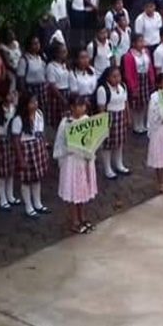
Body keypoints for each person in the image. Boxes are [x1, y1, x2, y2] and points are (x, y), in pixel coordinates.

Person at [53, 94, 97, 234]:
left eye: (83, 105)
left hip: (83, 160)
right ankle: (74, 221)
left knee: (82, 190)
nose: (82, 108)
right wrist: (69, 148)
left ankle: (83, 217)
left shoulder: (86, 120)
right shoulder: (66, 123)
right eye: (79, 105)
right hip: (71, 161)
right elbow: (60, 143)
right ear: (72, 107)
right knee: (73, 191)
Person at [9, 91, 51, 219]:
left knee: (37, 178)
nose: (35, 104)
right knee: (27, 179)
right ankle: (28, 206)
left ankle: (38, 203)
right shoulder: (18, 119)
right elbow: (16, 139)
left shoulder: (39, 114)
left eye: (36, 101)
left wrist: (44, 148)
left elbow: (41, 133)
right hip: (26, 148)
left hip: (37, 147)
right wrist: (20, 158)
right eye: (32, 102)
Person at [96, 66, 132, 180]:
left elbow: (125, 103)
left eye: (119, 76)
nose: (117, 79)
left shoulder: (123, 87)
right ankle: (107, 168)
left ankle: (119, 164)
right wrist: (103, 124)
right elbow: (101, 108)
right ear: (107, 77)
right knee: (108, 144)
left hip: (120, 116)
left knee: (119, 142)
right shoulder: (103, 89)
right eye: (114, 76)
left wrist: (128, 116)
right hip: (110, 117)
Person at [0, 89, 20, 210]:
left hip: (11, 140)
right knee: (1, 172)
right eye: (9, 93)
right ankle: (3, 198)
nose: (12, 95)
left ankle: (10, 195)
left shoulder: (13, 108)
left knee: (10, 170)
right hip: (1, 141)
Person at [122, 34, 156, 135]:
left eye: (142, 41)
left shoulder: (146, 52)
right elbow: (128, 73)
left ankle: (143, 123)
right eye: (139, 41)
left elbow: (150, 66)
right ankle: (137, 124)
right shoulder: (129, 56)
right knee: (136, 104)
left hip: (145, 78)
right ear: (134, 43)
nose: (142, 44)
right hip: (137, 80)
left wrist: (152, 79)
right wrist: (132, 86)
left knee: (145, 103)